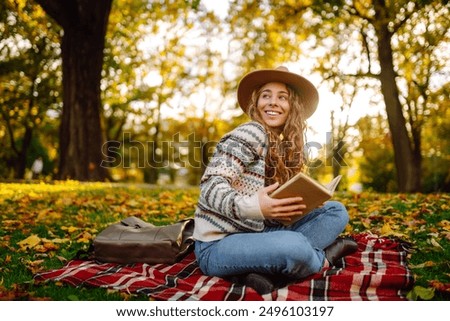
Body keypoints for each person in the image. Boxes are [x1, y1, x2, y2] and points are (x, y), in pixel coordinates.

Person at [193, 66, 357, 295]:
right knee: (295, 246)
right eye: (266, 95)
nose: (272, 102)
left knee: (335, 211)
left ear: (293, 107)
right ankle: (323, 257)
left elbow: (264, 214)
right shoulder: (251, 132)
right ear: (256, 102)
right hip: (218, 245)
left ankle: (258, 271)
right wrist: (257, 206)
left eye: (282, 97)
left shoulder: (280, 145)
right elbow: (210, 187)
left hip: (256, 235)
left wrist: (297, 205)